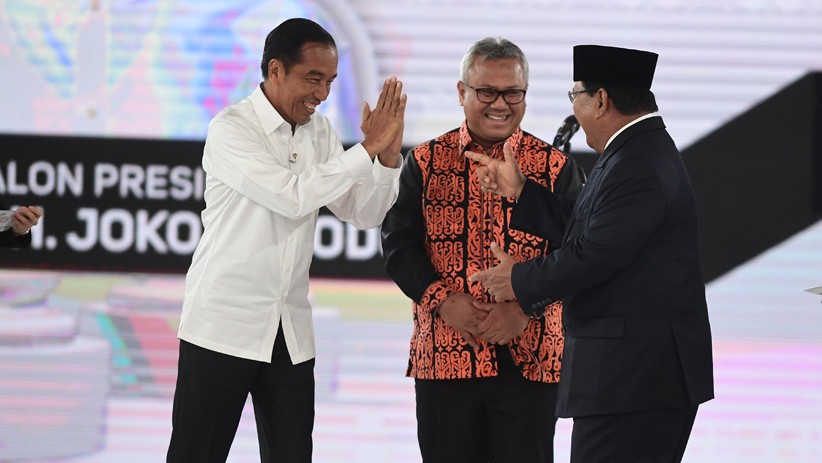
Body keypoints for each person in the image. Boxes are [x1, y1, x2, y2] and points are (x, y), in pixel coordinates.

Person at [167, 18, 406, 463]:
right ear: (275, 70)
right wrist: (366, 150)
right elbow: (292, 197)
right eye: (312, 78)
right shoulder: (231, 129)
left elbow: (363, 212)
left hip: (290, 331)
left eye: (331, 81)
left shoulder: (320, 132)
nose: (322, 94)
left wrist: (388, 158)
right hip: (222, 326)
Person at [467, 44, 714, 463]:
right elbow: (595, 232)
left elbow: (595, 256)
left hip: (634, 380)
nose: (574, 111)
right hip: (637, 378)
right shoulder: (636, 151)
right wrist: (523, 192)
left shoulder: (636, 162)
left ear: (600, 101)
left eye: (575, 97)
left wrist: (518, 280)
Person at [381, 37, 583, 463]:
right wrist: (443, 302)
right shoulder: (425, 162)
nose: (500, 104)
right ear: (462, 93)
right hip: (445, 357)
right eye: (486, 91)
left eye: (512, 93)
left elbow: (581, 256)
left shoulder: (556, 168)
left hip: (531, 361)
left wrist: (525, 306)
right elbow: (398, 245)